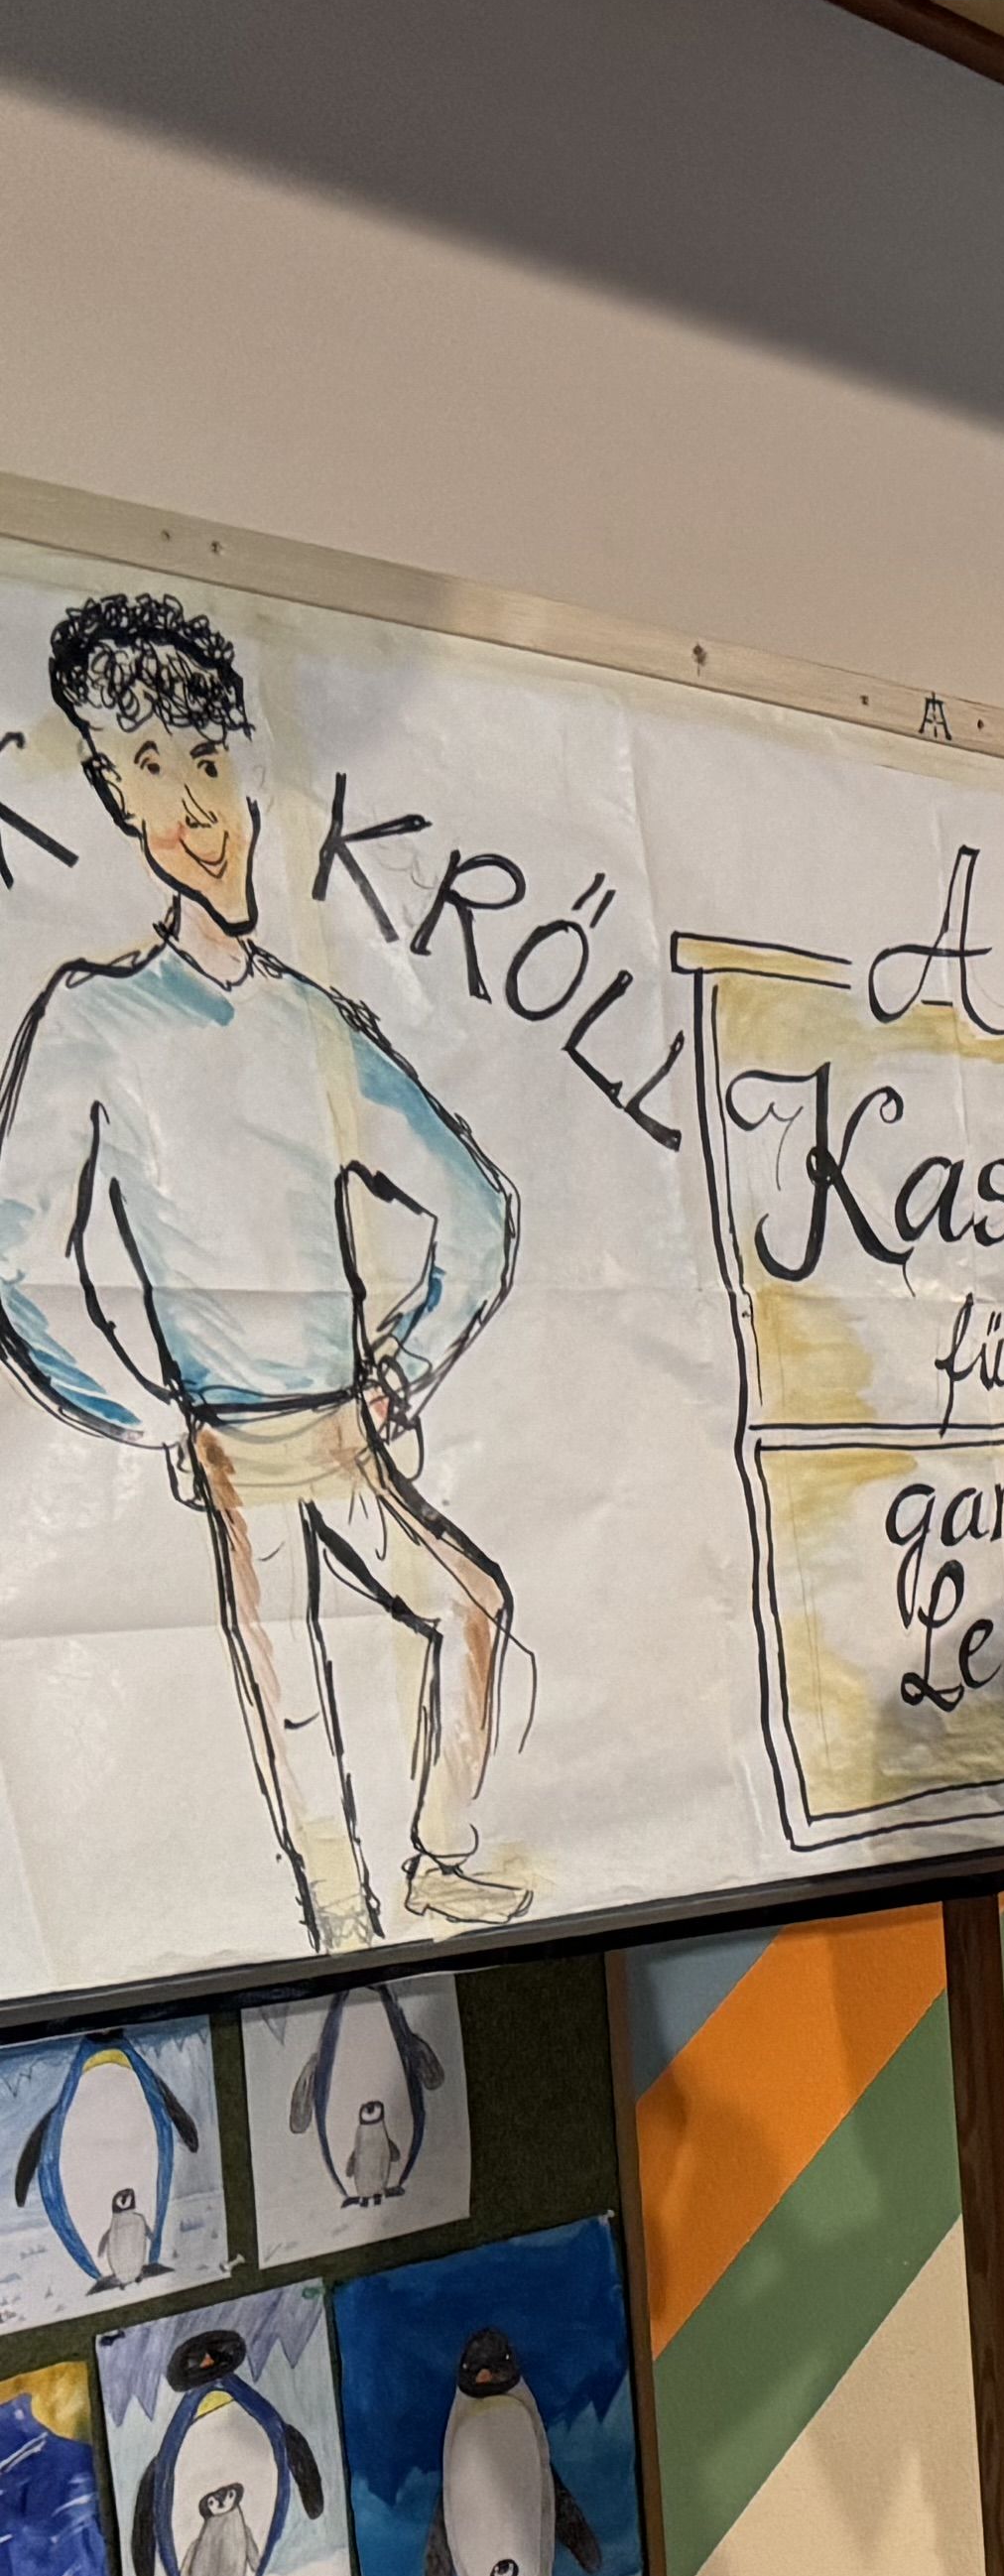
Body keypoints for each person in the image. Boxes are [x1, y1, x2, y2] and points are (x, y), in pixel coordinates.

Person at [0, 591, 526, 1952]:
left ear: (244, 768)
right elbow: (14, 1256)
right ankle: (342, 1922)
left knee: (469, 1608)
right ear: (114, 796)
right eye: (149, 769)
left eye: (206, 761)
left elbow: (479, 1212)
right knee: (293, 1694)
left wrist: (404, 1366)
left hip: (346, 1425)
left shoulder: (316, 1021)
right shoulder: (93, 1017)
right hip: (232, 1439)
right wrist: (152, 1417)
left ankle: (435, 1863)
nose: (192, 806)